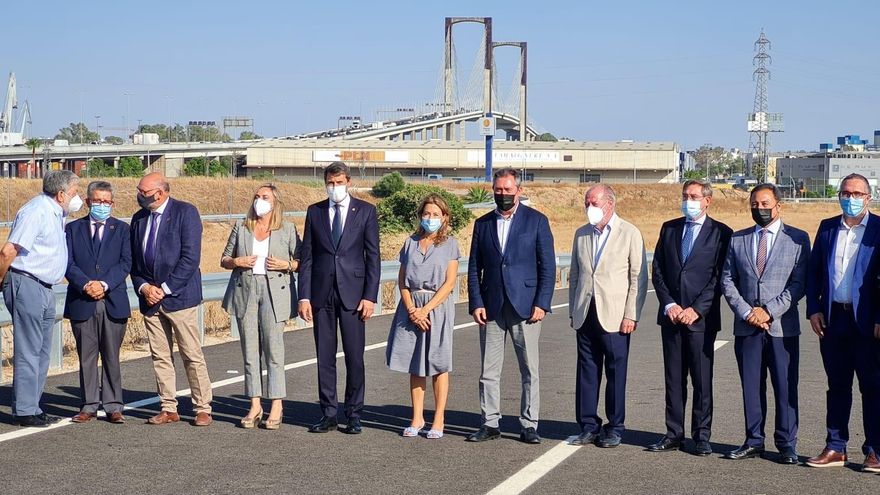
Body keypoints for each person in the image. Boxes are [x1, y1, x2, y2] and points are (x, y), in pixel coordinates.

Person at [720, 183, 809, 465]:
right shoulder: (738, 239)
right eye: (755, 204)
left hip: (782, 327)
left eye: (765, 203)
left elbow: (798, 284)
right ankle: (753, 440)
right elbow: (727, 280)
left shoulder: (798, 239)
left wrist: (769, 311)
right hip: (747, 326)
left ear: (778, 205)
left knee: (784, 386)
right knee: (751, 385)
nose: (760, 209)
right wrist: (748, 312)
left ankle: (786, 443)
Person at [466, 168, 555, 444]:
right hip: (492, 306)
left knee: (529, 369)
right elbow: (473, 268)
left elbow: (548, 267)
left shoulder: (537, 221)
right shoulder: (482, 224)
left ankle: (529, 424)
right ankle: (490, 422)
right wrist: (476, 302)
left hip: (525, 307)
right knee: (488, 371)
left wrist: (542, 302)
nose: (502, 194)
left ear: (518, 190)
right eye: (498, 189)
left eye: (507, 189)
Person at [648, 180, 732, 456]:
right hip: (672, 317)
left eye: (694, 196)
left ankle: (701, 435)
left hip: (701, 320)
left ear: (707, 200)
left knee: (701, 379)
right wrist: (669, 304)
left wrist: (696, 308)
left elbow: (719, 277)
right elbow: (658, 268)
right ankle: (673, 433)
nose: (689, 201)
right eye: (685, 196)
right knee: (673, 378)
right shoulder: (669, 228)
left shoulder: (721, 233)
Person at [298, 162, 380, 434]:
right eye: (330, 183)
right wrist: (304, 297)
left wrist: (370, 296)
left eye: (339, 182)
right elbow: (307, 257)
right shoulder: (315, 211)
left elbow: (373, 258)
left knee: (355, 357)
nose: (335, 188)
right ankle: (329, 413)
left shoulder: (366, 211)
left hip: (354, 295)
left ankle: (354, 413)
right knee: (325, 357)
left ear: (349, 182)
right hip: (322, 294)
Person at [805, 173, 880, 472]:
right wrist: (813, 309)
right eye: (846, 193)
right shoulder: (827, 228)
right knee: (837, 385)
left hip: (867, 324)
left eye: (857, 193)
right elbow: (813, 274)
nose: (851, 198)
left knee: (873, 387)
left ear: (868, 197)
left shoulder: (878, 228)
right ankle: (836, 446)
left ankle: (875, 450)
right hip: (833, 319)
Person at [130, 172, 213, 426]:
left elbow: (190, 259)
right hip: (150, 301)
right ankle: (168, 407)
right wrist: (144, 287)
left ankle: (202, 407)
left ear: (160, 192)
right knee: (160, 356)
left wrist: (164, 288)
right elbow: (133, 262)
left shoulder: (185, 213)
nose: (139, 195)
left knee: (191, 354)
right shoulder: (139, 219)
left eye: (143, 192)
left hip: (180, 298)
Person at [0, 170, 82, 427]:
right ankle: (24, 410)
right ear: (60, 194)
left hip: (45, 287)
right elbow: (8, 250)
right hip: (27, 282)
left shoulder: (57, 213)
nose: (77, 198)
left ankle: (33, 406)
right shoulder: (36, 211)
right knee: (29, 349)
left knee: (42, 351)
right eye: (74, 193)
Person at [568, 183, 647, 448]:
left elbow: (637, 277)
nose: (589, 208)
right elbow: (576, 275)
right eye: (586, 203)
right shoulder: (581, 234)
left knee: (615, 373)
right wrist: (573, 310)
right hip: (585, 313)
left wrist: (631, 314)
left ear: (610, 204)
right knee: (587, 372)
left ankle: (615, 427)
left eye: (594, 203)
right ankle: (588, 425)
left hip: (615, 316)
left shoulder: (629, 233)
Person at [221, 184, 300, 430]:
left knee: (274, 351)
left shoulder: (287, 229)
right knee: (250, 352)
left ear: (275, 202)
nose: (259, 200)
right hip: (246, 290)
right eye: (256, 196)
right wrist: (237, 261)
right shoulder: (241, 227)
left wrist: (286, 264)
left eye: (265, 197)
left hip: (274, 291)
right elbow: (224, 259)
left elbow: (301, 261)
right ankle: (255, 404)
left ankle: (277, 404)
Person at [386, 194, 460, 439]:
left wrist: (426, 310)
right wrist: (411, 310)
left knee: (438, 363)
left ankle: (439, 418)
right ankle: (417, 416)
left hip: (436, 307)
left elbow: (449, 283)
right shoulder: (410, 243)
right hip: (411, 307)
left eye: (436, 215)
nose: (431, 218)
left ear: (444, 217)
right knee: (415, 363)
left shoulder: (450, 244)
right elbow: (402, 280)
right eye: (427, 214)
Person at [63, 180, 132, 425]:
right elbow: (67, 263)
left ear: (112, 203)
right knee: (86, 356)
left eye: (107, 201)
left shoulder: (123, 230)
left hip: (112, 299)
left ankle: (114, 406)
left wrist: (103, 285)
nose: (102, 205)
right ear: (88, 202)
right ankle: (89, 405)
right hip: (83, 300)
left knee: (111, 355)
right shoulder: (72, 229)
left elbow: (126, 263)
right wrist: (86, 284)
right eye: (98, 201)